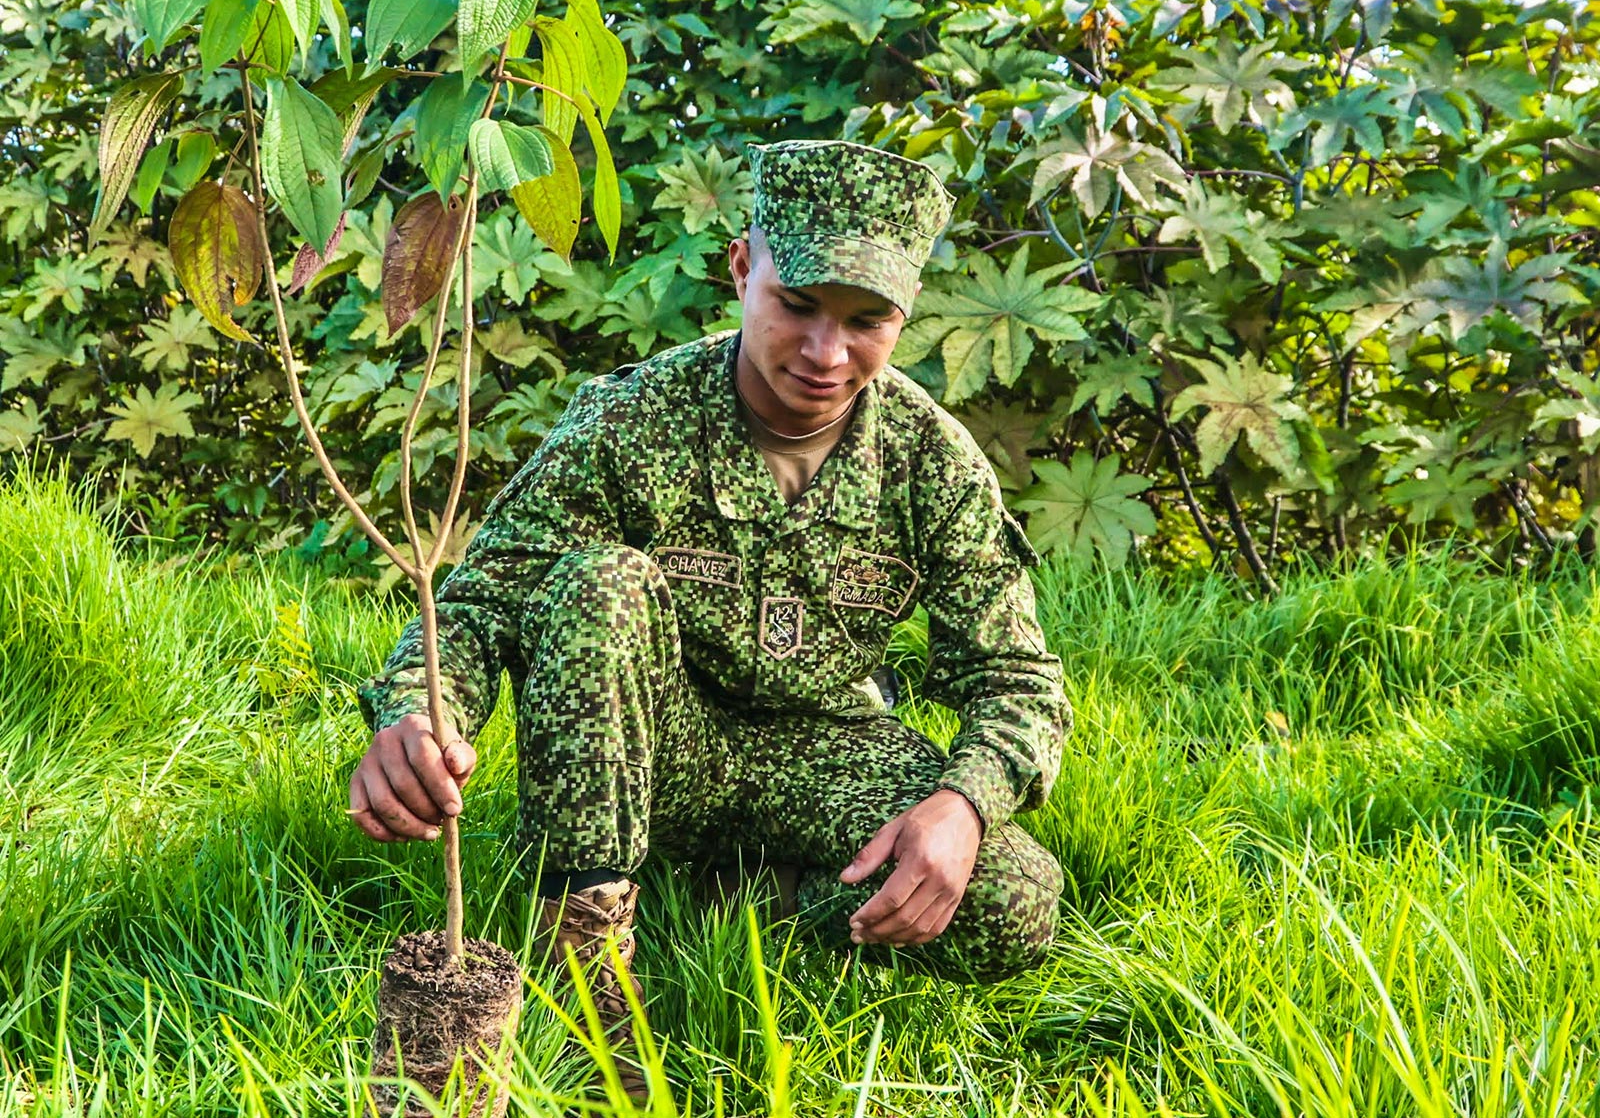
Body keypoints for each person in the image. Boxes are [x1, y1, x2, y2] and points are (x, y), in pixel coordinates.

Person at [349, 139, 1070, 1095]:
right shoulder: (633, 418)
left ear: (905, 314)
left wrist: (963, 804)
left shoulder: (932, 460)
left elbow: (1017, 678)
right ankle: (589, 958)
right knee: (601, 583)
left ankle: (758, 904)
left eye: (868, 321)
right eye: (797, 304)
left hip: (830, 751)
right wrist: (419, 714)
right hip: (653, 750)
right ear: (741, 268)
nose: (826, 353)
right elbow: (487, 600)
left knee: (1014, 898)